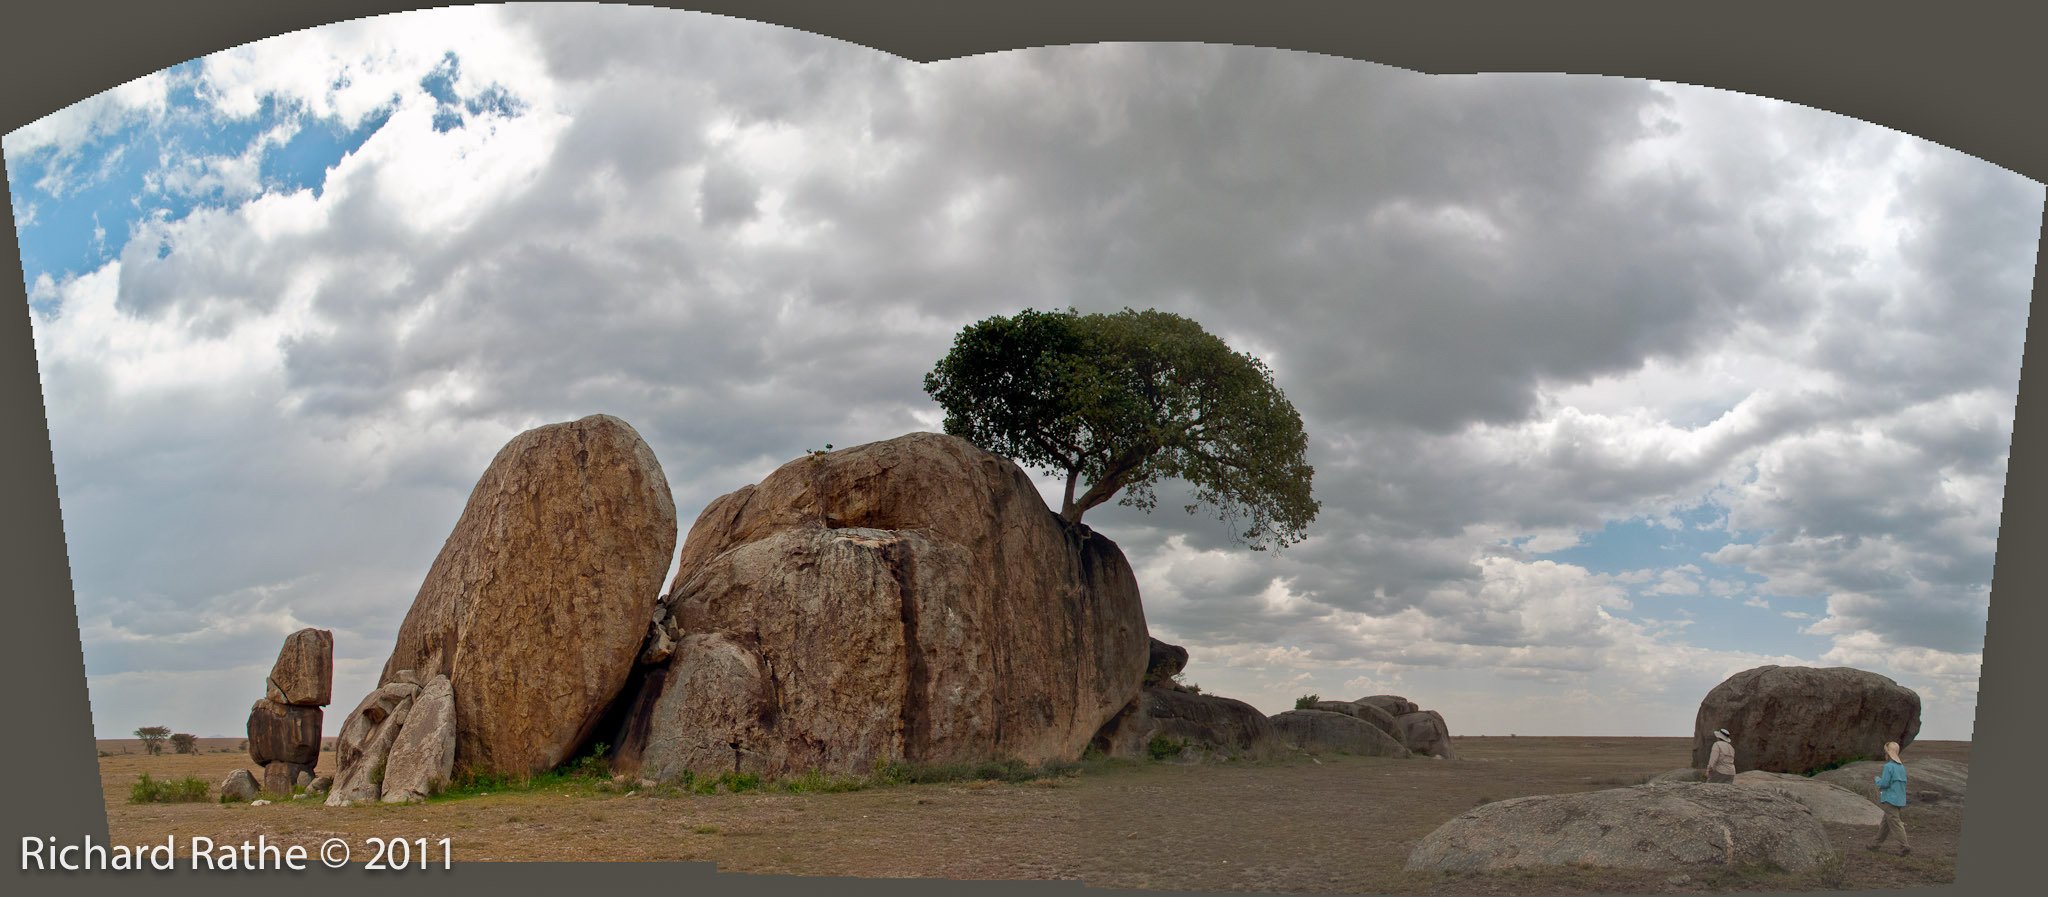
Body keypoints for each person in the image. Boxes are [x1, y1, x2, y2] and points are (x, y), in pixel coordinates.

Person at [1870, 741, 1911, 855]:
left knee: (1895, 822)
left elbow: (1885, 783)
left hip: (1890, 799)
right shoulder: (1901, 767)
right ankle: (1875, 844)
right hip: (1899, 799)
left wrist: (1877, 780)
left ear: (1889, 754)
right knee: (1886, 823)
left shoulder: (1888, 767)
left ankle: (1904, 846)